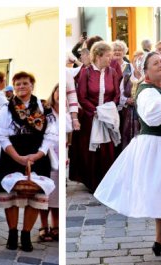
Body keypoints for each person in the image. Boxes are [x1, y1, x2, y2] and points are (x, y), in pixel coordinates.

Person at [94, 52, 161, 258]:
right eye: (155, 63)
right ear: (145, 71)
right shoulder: (146, 90)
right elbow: (150, 109)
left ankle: (160, 240)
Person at [0, 71, 53, 252]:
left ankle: (26, 235)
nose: (21, 87)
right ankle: (12, 233)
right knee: (10, 197)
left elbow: (50, 134)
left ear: (32, 85)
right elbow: (1, 135)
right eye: (17, 84)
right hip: (12, 153)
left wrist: (39, 154)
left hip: (37, 154)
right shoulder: (6, 108)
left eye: (25, 83)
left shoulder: (43, 107)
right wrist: (16, 156)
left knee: (35, 195)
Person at [68, 41, 121, 194]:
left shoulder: (112, 72)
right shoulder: (86, 72)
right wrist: (95, 111)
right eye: (108, 56)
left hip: (107, 116)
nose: (110, 59)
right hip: (90, 117)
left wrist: (108, 109)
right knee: (92, 151)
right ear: (98, 56)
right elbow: (82, 96)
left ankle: (106, 181)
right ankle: (92, 181)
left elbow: (116, 94)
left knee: (107, 149)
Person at [38, 83, 60, 243]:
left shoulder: (67, 113)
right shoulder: (45, 111)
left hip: (61, 155)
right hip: (46, 155)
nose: (59, 94)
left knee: (57, 195)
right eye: (57, 91)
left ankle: (56, 225)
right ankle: (43, 225)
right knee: (45, 193)